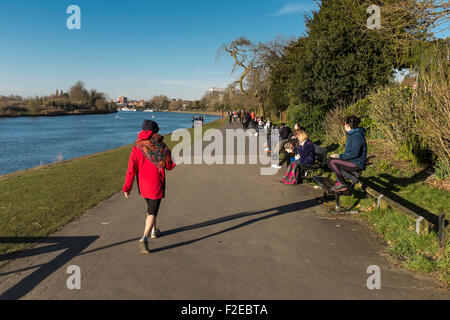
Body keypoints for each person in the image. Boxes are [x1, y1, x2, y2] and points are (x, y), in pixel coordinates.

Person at [123, 120, 176, 254]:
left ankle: (154, 231)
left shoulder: (137, 147)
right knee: (153, 211)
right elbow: (169, 166)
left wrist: (127, 188)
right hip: (156, 183)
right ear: (155, 132)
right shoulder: (161, 146)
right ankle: (144, 238)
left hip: (143, 185)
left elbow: (131, 169)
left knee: (150, 207)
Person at [328, 116, 367, 192]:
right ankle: (341, 182)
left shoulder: (357, 136)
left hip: (356, 163)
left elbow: (354, 154)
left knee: (331, 161)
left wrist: (339, 156)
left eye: (344, 123)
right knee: (330, 160)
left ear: (347, 125)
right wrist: (338, 156)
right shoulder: (353, 134)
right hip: (352, 161)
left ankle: (343, 184)